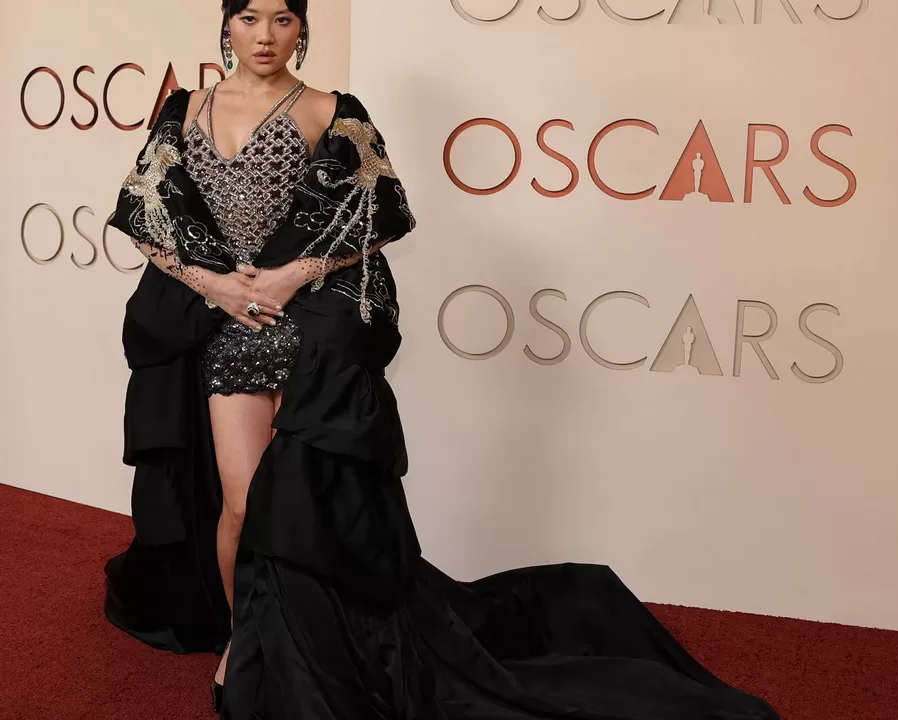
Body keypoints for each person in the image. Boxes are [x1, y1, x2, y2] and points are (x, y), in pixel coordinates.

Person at [105, 1, 781, 718]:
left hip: (307, 331)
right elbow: (145, 214)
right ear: (227, 24)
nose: (265, 36)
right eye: (249, 18)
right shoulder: (186, 109)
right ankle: (242, 640)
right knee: (242, 505)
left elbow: (377, 214)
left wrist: (288, 278)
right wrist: (216, 287)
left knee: (297, 505)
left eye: (282, 19)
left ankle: (305, 647)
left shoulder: (334, 111)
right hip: (230, 328)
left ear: (302, 28)